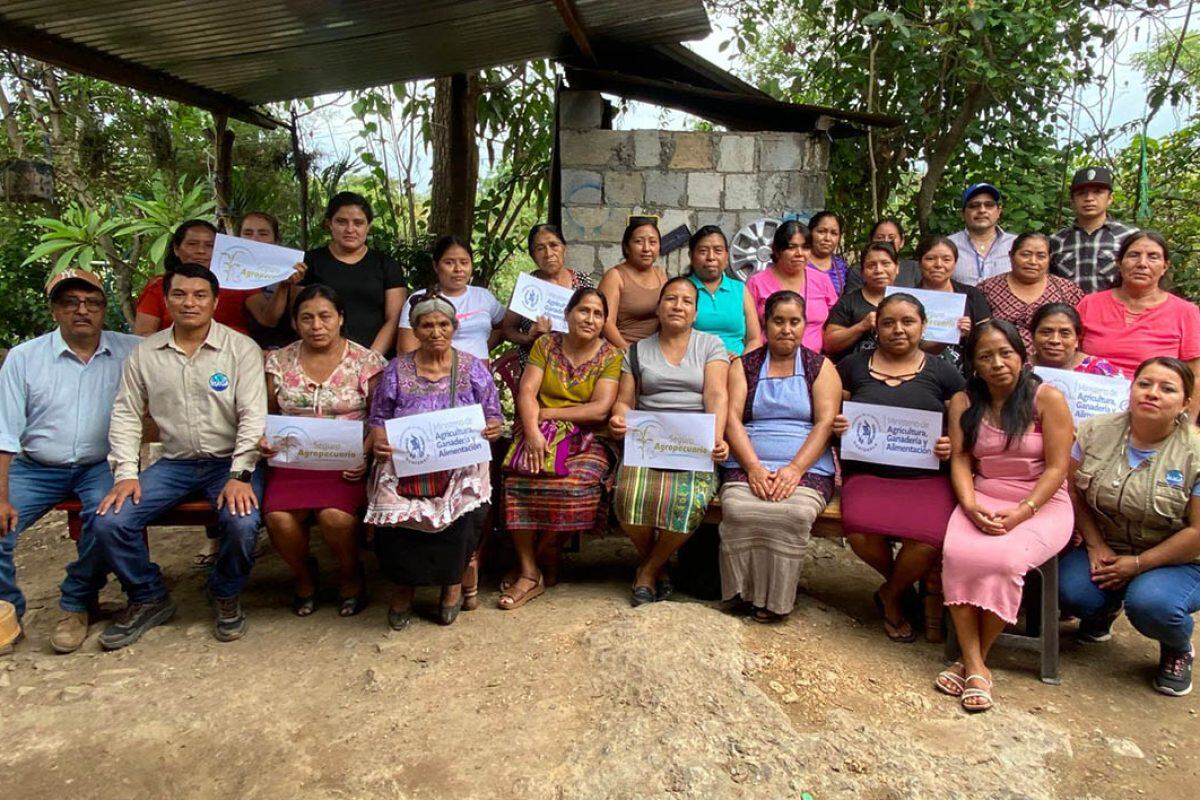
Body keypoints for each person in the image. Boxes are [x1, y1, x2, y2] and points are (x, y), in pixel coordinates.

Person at [91, 263, 268, 649]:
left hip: (229, 462)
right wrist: (125, 473)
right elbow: (125, 413)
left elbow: (254, 415)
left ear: (215, 302)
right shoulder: (146, 354)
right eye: (180, 295)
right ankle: (148, 595)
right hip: (175, 463)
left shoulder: (241, 349)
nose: (190, 303)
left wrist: (239, 475)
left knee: (241, 522)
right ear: (167, 300)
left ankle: (225, 592)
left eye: (200, 295)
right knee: (109, 520)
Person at [0, 270, 140, 655]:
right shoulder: (24, 359)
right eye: (70, 303)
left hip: (100, 463)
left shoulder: (132, 349)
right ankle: (6, 615)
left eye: (92, 303)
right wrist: (1, 496)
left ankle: (76, 603)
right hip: (36, 466)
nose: (82, 311)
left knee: (108, 517)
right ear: (54, 310)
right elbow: (4, 433)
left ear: (103, 310)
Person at [937, 321, 1074, 713]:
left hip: (1041, 504)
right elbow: (961, 459)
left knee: (1004, 560)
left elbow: (1056, 468)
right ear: (974, 364)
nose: (997, 363)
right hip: (982, 496)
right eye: (985, 356)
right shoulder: (964, 402)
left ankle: (970, 663)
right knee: (958, 554)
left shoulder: (1047, 398)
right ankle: (977, 663)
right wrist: (968, 504)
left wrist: (1023, 512)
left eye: (1005, 353)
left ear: (1021, 355)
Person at [1059, 358, 1200, 696]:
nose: (1152, 393)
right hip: (1108, 546)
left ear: (1185, 403)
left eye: (1167, 389)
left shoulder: (1196, 453)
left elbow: (1197, 533)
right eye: (1145, 384)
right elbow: (1073, 491)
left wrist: (1138, 565)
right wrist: (1095, 545)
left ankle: (1177, 646)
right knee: (1068, 591)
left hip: (1179, 561)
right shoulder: (1095, 430)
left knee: (1152, 605)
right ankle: (1104, 609)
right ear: (1131, 388)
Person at [366, 294, 503, 629]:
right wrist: (381, 440)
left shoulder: (471, 368)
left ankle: (452, 582)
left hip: (458, 463)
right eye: (427, 325)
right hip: (406, 462)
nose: (436, 331)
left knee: (466, 503)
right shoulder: (397, 369)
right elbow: (378, 418)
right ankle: (404, 586)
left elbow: (493, 415)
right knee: (393, 509)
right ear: (415, 329)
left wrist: (493, 429)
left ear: (454, 327)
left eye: (443, 324)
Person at [833, 294, 964, 642]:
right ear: (877, 327)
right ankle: (902, 586)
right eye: (888, 322)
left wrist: (951, 444)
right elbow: (829, 415)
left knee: (928, 539)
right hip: (867, 473)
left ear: (923, 326)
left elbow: (963, 428)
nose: (898, 329)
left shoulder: (944, 372)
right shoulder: (853, 366)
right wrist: (837, 427)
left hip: (925, 477)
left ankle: (891, 594)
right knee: (859, 530)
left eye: (908, 321)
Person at [259, 285, 387, 617]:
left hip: (348, 461)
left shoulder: (366, 361)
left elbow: (379, 418)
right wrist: (264, 439)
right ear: (295, 323)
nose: (316, 325)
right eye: (307, 318)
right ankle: (304, 576)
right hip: (294, 461)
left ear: (341, 319)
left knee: (335, 518)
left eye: (325, 316)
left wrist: (365, 454)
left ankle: (350, 575)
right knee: (278, 519)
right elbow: (269, 413)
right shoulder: (279, 361)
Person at [720, 290, 839, 622]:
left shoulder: (820, 367)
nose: (786, 329)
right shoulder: (745, 366)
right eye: (778, 321)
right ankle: (743, 592)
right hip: (749, 459)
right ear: (765, 324)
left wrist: (795, 469)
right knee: (739, 508)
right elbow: (731, 419)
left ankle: (776, 599)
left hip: (807, 464)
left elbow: (825, 422)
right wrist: (754, 468)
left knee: (795, 512)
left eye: (794, 322)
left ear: (804, 325)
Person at [610, 277, 729, 606]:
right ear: (658, 308)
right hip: (649, 444)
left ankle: (648, 570)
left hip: (694, 446)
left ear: (695, 312)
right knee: (627, 499)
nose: (678, 306)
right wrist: (619, 417)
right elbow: (624, 400)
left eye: (687, 301)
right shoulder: (635, 351)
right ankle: (658, 566)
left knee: (691, 502)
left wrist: (717, 437)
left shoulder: (711, 346)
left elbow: (717, 394)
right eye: (671, 299)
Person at [499, 288, 621, 609]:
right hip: (538, 430)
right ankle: (529, 572)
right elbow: (527, 392)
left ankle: (542, 554)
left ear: (604, 321)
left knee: (574, 487)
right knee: (517, 480)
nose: (590, 319)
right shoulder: (546, 344)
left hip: (589, 437)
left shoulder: (610, 356)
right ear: (567, 314)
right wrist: (532, 432)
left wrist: (549, 413)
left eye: (597, 314)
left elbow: (599, 409)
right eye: (583, 311)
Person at [1076, 230, 1200, 417]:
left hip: (1156, 412)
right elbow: (1067, 357)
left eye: (1153, 257)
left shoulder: (1185, 312)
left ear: (1165, 266)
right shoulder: (1089, 304)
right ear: (1119, 263)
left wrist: (1188, 428)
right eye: (1134, 255)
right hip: (1090, 408)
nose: (1142, 264)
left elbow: (1195, 377)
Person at [135, 219, 286, 336]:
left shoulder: (237, 281)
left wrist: (284, 285)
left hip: (234, 360)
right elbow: (143, 335)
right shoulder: (159, 287)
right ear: (176, 249)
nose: (201, 251)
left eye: (209, 245)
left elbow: (268, 320)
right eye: (192, 244)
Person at [301, 192, 406, 353]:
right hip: (321, 356)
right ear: (329, 224)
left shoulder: (386, 264)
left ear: (368, 226)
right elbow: (299, 316)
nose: (350, 229)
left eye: (358, 223)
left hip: (375, 357)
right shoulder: (309, 261)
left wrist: (371, 359)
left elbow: (394, 319)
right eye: (341, 222)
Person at [501, 224, 594, 366]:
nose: (548, 253)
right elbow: (508, 330)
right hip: (536, 365)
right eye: (540, 248)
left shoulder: (583, 282)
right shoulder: (527, 286)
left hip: (579, 363)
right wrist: (529, 338)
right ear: (533, 256)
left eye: (554, 245)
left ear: (564, 248)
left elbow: (597, 322)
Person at [400, 235, 504, 361]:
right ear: (435, 266)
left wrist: (481, 350)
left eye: (464, 262)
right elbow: (407, 350)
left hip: (480, 377)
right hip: (434, 376)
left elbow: (505, 328)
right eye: (449, 263)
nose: (458, 269)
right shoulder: (419, 300)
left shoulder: (484, 297)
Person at [978, 232, 1083, 350]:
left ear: (1049, 259)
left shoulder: (1068, 290)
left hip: (1054, 363)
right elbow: (978, 333)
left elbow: (1080, 334)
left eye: (1041, 256)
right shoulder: (987, 289)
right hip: (1000, 362)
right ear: (1011, 255)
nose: (1033, 261)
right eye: (1025, 254)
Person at [746, 220, 838, 353]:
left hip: (815, 362)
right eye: (791, 247)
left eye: (805, 247)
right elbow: (749, 331)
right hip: (769, 360)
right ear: (777, 251)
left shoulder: (822, 280)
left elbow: (834, 324)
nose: (799, 253)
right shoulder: (756, 283)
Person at [1050, 166, 1137, 294]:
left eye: (1098, 192)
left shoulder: (1130, 237)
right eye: (1081, 193)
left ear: (1110, 199)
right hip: (1067, 312)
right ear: (1072, 201)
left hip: (1115, 312)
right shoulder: (1056, 241)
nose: (1089, 198)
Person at [914, 235, 992, 377]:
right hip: (917, 371)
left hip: (966, 372)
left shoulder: (971, 294)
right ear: (919, 263)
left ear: (955, 264)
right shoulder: (907, 299)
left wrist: (971, 333)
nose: (938, 264)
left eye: (946, 259)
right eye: (930, 259)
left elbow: (988, 337)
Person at [686, 225, 760, 356]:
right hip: (694, 364)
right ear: (691, 256)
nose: (711, 257)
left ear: (726, 256)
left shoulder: (739, 289)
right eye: (703, 251)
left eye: (718, 251)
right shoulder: (682, 289)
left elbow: (754, 340)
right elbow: (672, 338)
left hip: (737, 365)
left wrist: (740, 361)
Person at [238, 211, 307, 349]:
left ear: (276, 240)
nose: (254, 240)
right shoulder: (225, 270)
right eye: (247, 233)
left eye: (263, 234)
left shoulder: (295, 269)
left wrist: (289, 286)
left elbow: (296, 323)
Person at [599, 216, 668, 349]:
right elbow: (606, 323)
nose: (646, 248)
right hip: (624, 350)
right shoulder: (615, 276)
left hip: (658, 352)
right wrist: (629, 354)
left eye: (653, 242)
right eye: (639, 242)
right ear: (626, 247)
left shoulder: (661, 274)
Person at [823, 241, 900, 359]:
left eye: (885, 263)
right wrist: (862, 326)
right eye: (871, 265)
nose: (879, 270)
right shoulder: (848, 302)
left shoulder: (909, 302)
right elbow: (829, 344)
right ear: (862, 272)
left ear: (897, 268)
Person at [948, 183, 1017, 286]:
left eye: (989, 205)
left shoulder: (1017, 245)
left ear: (998, 212)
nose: (982, 210)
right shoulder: (948, 246)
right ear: (962, 214)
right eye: (974, 206)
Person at [1028, 303, 1121, 376]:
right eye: (1046, 332)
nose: (1055, 340)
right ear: (1033, 336)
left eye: (1065, 334)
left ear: (1077, 339)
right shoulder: (1020, 368)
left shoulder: (1099, 370)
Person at [846, 218, 920, 291]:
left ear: (902, 241)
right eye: (880, 237)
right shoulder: (858, 271)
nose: (886, 241)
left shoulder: (915, 268)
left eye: (891, 237)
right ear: (871, 240)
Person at [807, 211, 852, 294]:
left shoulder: (841, 267)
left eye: (834, 233)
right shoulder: (799, 262)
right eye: (821, 232)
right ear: (810, 232)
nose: (827, 238)